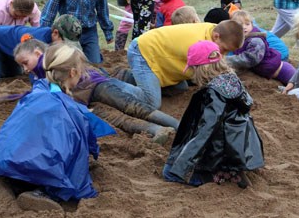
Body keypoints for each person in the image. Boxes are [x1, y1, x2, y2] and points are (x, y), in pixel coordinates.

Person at [0, 43, 116, 211]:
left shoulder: (35, 92)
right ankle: (42, 193)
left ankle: (6, 181)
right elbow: (81, 149)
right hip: (40, 168)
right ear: (73, 73)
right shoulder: (70, 109)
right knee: (66, 174)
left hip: (4, 159)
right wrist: (86, 189)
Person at [13, 39, 179, 145]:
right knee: (123, 115)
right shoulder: (41, 72)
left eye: (25, 63)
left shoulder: (51, 60)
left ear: (37, 53)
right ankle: (161, 129)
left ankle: (170, 126)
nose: (25, 69)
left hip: (94, 86)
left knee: (129, 109)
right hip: (85, 99)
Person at [162, 40, 264, 188]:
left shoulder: (213, 93)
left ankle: (221, 175)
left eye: (193, 69)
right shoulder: (231, 80)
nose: (192, 73)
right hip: (239, 148)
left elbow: (206, 130)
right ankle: (231, 169)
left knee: (169, 173)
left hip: (222, 151)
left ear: (202, 68)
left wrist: (182, 166)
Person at [126, 20, 244, 110]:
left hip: (161, 56)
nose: (224, 54)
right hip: (143, 52)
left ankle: (133, 78)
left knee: (180, 88)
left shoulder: (216, 31)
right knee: (152, 102)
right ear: (216, 36)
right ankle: (114, 85)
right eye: (224, 49)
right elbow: (205, 77)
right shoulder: (197, 43)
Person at [0, 14, 82, 86]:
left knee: (11, 74)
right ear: (55, 33)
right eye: (65, 42)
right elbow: (36, 75)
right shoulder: (39, 43)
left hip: (11, 50)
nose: (67, 46)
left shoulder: (52, 42)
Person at [227, 10, 297, 86]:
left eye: (247, 24)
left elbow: (250, 59)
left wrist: (227, 60)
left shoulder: (256, 40)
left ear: (252, 24)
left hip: (282, 70)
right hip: (270, 70)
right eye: (240, 25)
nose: (244, 27)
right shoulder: (242, 39)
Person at [221, 0, 289, 61]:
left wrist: (224, 60)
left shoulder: (249, 30)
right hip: (280, 53)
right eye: (233, 8)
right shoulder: (246, 24)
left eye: (239, 8)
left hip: (278, 55)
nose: (237, 11)